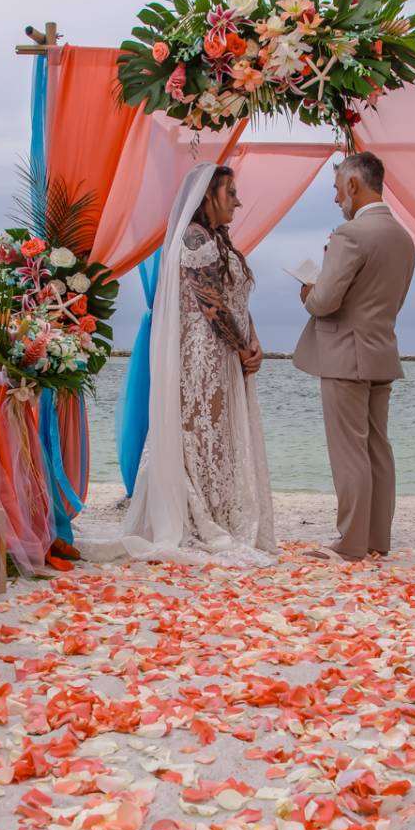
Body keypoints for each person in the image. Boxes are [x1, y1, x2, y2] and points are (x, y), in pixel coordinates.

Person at [100, 162, 274, 563]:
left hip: (226, 349)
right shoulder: (195, 239)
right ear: (208, 195)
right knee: (200, 433)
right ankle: (197, 516)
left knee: (218, 435)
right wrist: (242, 346)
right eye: (231, 193)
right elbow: (211, 306)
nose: (238, 201)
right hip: (206, 352)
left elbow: (235, 299)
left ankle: (216, 511)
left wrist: (255, 341)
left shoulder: (216, 238)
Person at [293, 152, 414, 561]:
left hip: (345, 354)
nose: (335, 199)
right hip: (381, 349)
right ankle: (377, 539)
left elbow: (326, 301)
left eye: (336, 188)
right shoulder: (402, 236)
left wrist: (309, 291)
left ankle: (349, 543)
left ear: (353, 186)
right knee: (378, 448)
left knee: (349, 452)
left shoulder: (351, 235)